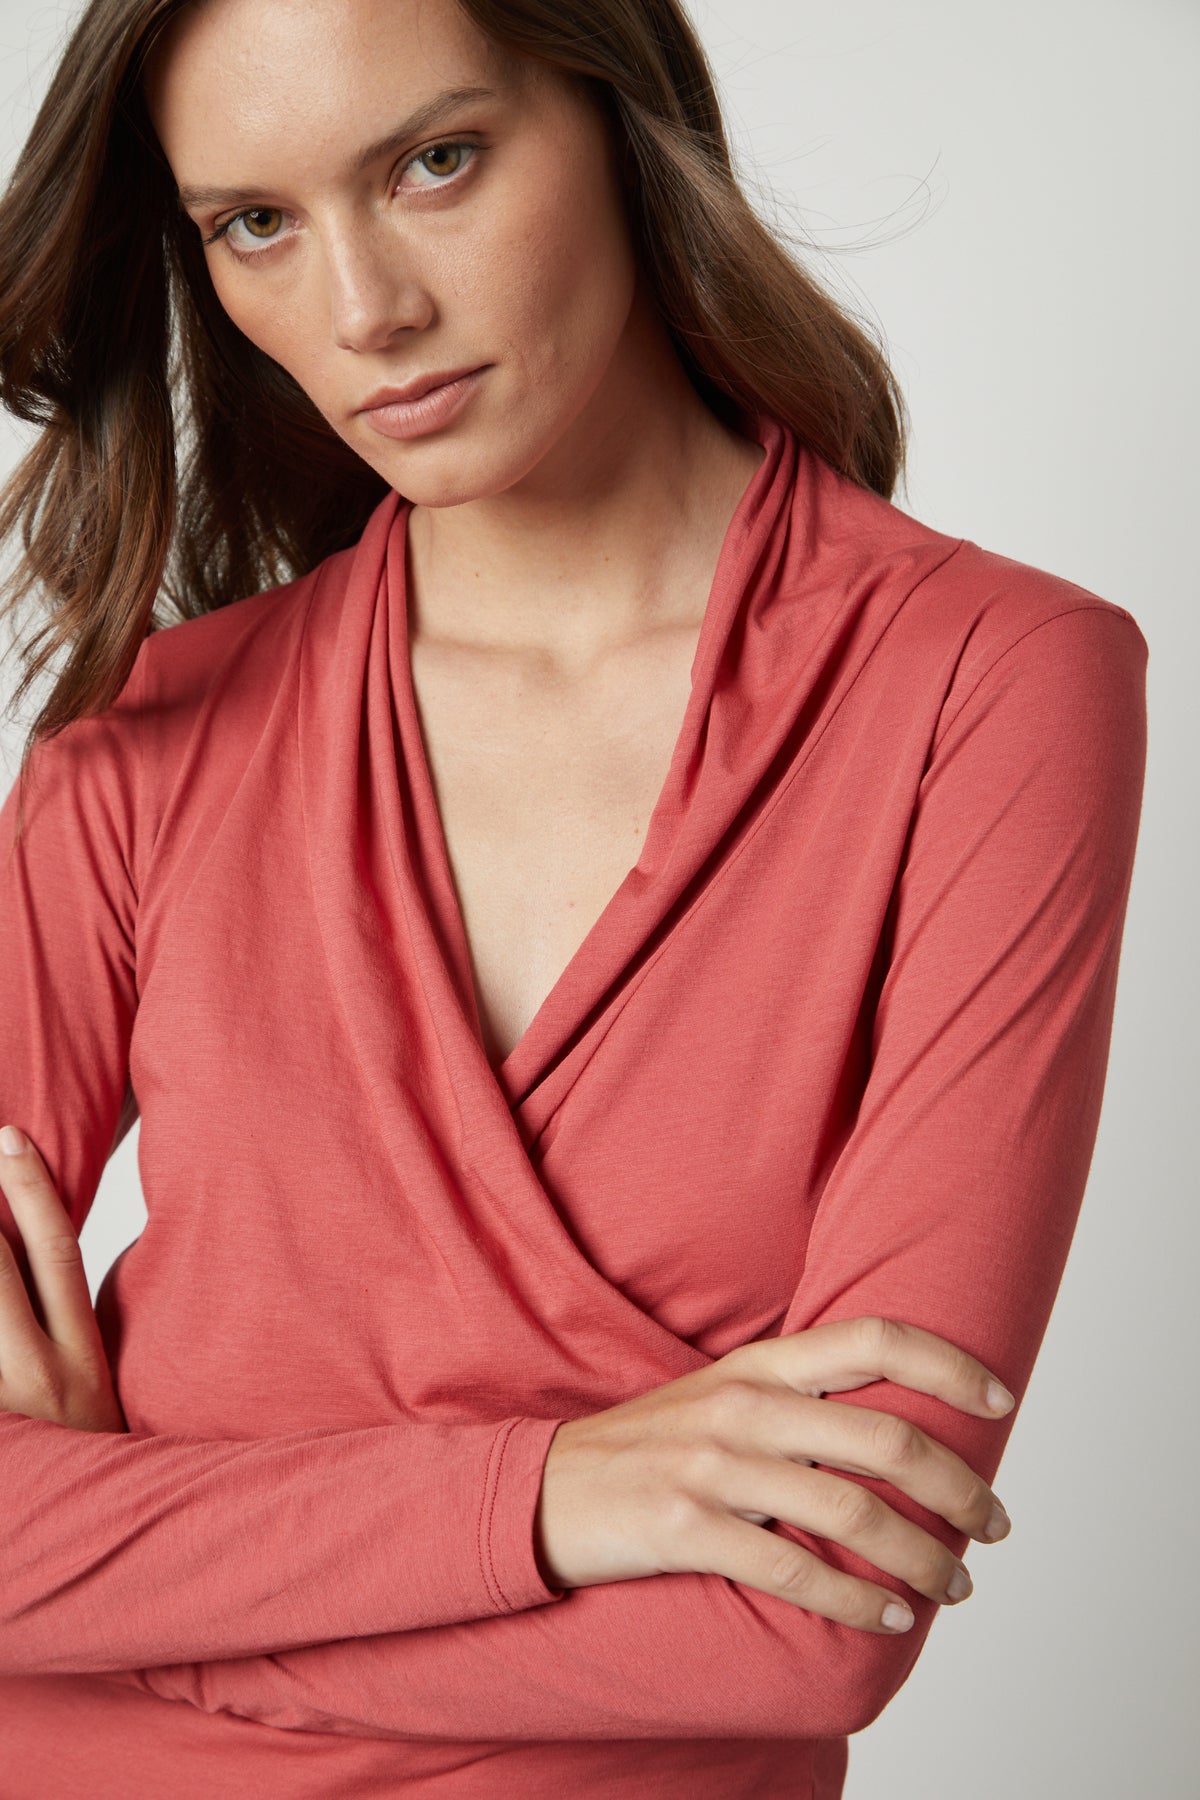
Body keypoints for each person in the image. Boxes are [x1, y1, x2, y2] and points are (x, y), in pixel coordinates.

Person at [0, 0, 1147, 1795]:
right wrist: (545, 1497)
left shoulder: (989, 687)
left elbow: (814, 1619)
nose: (364, 310)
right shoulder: (142, 744)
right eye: (255, 225)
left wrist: (136, 1574)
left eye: (435, 162)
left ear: (622, 118)